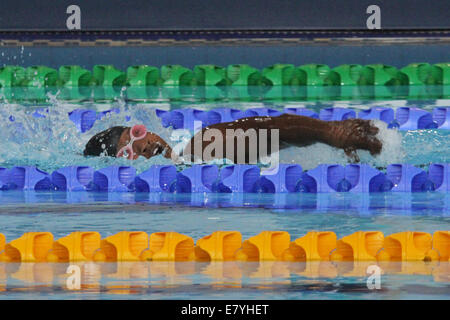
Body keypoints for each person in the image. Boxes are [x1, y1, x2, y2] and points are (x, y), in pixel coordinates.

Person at [83, 114, 382, 163]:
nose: (143, 143)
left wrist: (331, 133)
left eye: (135, 134)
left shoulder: (196, 147)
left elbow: (269, 128)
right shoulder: (192, 154)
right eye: (129, 150)